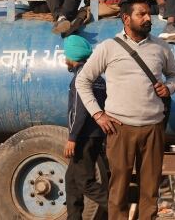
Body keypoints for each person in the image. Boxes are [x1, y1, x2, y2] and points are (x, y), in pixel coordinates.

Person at [75, 0, 175, 220]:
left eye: (148, 13)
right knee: (119, 189)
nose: (148, 18)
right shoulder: (108, 48)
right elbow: (82, 80)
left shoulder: (161, 47)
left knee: (150, 189)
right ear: (126, 18)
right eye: (141, 14)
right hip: (120, 128)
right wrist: (98, 114)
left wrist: (169, 88)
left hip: (153, 128)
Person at [63, 35, 108, 220]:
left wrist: (72, 138)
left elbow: (79, 110)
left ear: (72, 57)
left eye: (66, 55)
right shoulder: (98, 77)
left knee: (84, 181)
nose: (64, 59)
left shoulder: (80, 79)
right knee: (71, 180)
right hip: (95, 134)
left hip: (84, 136)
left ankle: (119, 206)